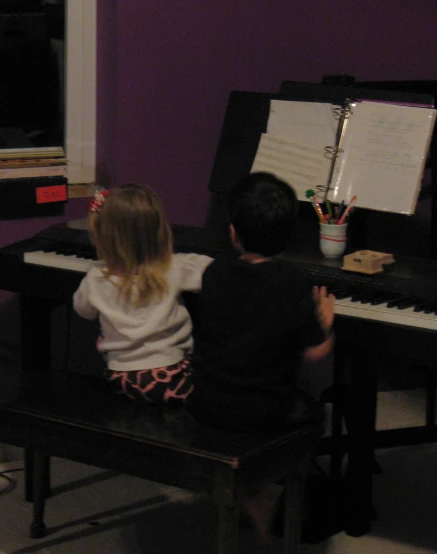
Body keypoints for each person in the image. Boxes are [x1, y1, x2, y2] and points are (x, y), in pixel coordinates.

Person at [188, 171, 335, 544]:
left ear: (233, 231)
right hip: (262, 413)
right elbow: (316, 353)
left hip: (206, 403)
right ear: (289, 234)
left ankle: (253, 490)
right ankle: (267, 487)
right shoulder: (292, 282)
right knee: (315, 410)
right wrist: (326, 324)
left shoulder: (214, 273)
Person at [72, 183, 213, 404]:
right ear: (159, 230)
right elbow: (214, 270)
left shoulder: (95, 278)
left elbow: (83, 311)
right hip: (172, 378)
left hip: (121, 378)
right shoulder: (174, 267)